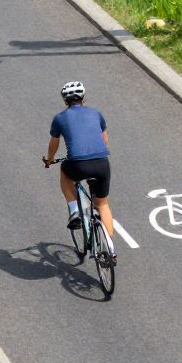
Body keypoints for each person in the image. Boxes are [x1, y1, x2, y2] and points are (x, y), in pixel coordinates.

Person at [42, 81, 116, 266]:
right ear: (83, 98)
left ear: (65, 101)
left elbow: (54, 143)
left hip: (77, 165)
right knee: (102, 204)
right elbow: (104, 141)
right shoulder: (96, 114)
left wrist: (50, 159)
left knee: (65, 174)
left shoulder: (60, 118)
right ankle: (109, 249)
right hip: (101, 163)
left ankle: (75, 211)